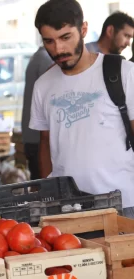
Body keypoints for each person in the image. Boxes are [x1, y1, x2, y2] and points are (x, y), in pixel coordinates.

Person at [29, 0, 134, 217]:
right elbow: (46, 142)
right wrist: (48, 198)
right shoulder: (42, 86)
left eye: (65, 37)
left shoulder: (124, 72)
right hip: (70, 209)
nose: (58, 49)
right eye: (49, 41)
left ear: (83, 29)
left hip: (124, 204)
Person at [21, 46, 53, 180]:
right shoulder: (46, 60)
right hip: (38, 138)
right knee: (41, 186)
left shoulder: (37, 57)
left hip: (32, 136)